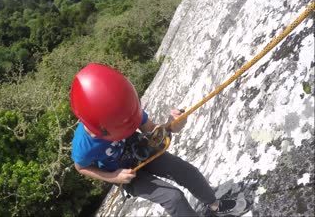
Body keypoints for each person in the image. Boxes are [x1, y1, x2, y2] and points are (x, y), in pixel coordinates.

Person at [70, 63, 245, 217]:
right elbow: (81, 167)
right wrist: (112, 177)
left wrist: (171, 126)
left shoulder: (123, 109)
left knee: (185, 171)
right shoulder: (83, 145)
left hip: (142, 151)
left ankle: (215, 205)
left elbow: (153, 130)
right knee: (173, 197)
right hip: (127, 175)